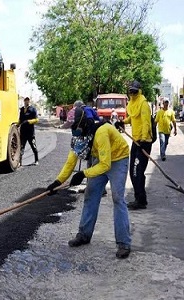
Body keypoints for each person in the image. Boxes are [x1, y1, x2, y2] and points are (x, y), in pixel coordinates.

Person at [46, 107, 131, 259]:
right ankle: (84, 234)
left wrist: (83, 174)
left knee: (118, 198)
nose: (72, 130)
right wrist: (57, 182)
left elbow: (106, 165)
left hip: (118, 158)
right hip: (102, 159)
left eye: (73, 127)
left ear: (82, 123)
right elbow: (70, 163)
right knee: (90, 194)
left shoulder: (101, 132)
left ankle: (124, 243)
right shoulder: (80, 138)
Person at [123, 80, 153, 210]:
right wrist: (122, 122)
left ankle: (141, 201)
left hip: (143, 143)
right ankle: (138, 198)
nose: (132, 93)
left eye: (135, 91)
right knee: (133, 171)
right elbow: (132, 118)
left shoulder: (143, 103)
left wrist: (143, 140)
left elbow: (146, 123)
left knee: (138, 171)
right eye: (131, 91)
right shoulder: (132, 103)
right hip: (136, 141)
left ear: (139, 90)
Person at [19, 97, 39, 166]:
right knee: (21, 147)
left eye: (27, 100)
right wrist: (17, 124)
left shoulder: (32, 109)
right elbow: (20, 119)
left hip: (30, 132)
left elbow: (36, 120)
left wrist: (29, 121)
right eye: (25, 100)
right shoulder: (22, 109)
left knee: (33, 146)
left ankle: (36, 160)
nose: (26, 102)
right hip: (23, 132)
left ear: (29, 101)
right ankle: (19, 162)